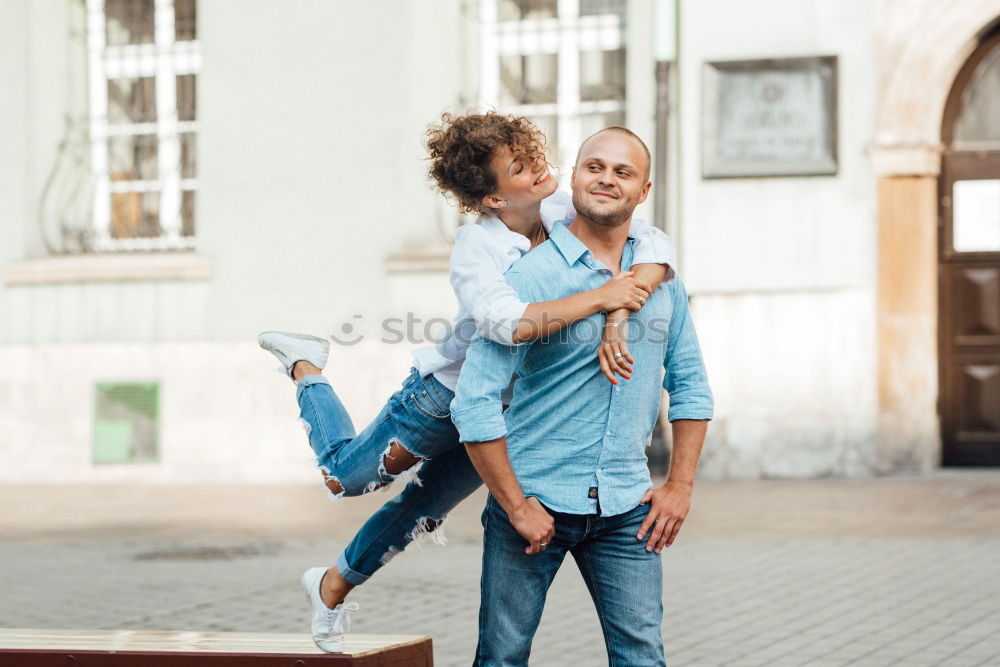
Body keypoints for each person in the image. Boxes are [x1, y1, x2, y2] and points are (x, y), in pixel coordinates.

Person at [258, 112, 677, 652]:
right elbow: (508, 324)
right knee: (345, 479)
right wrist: (601, 298)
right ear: (497, 199)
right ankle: (305, 367)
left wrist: (619, 313)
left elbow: (653, 242)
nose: (542, 169)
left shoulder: (558, 206)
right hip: (444, 397)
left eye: (535, 155)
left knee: (424, 510)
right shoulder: (476, 249)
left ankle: (330, 586)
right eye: (523, 168)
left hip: (503, 412)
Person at [451, 126, 713, 666]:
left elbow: (689, 385)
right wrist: (516, 504)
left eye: (623, 172)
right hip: (535, 501)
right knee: (502, 657)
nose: (606, 180)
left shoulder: (662, 279)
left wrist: (681, 485)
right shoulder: (528, 280)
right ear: (572, 177)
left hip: (626, 508)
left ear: (644, 192)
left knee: (642, 658)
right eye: (595, 167)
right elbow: (473, 402)